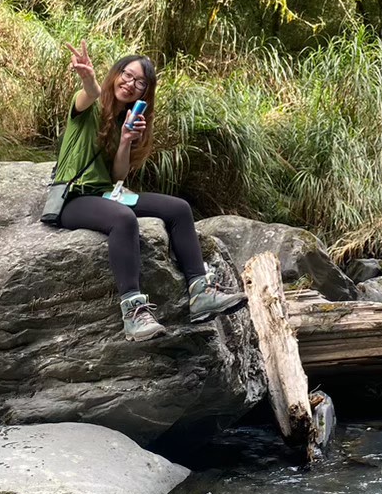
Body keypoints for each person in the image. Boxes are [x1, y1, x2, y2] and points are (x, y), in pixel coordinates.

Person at [52, 41, 245, 341]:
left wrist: (127, 139)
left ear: (145, 93)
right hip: (73, 198)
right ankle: (133, 312)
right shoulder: (88, 108)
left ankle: (200, 292)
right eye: (127, 76)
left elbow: (118, 174)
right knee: (123, 219)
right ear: (115, 75)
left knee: (178, 208)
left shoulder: (124, 121)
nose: (130, 84)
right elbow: (89, 92)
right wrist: (88, 78)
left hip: (105, 193)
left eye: (140, 83)